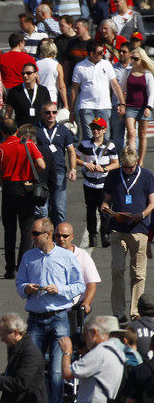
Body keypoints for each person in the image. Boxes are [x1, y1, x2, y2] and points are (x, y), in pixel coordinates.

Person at [17, 216, 85, 403]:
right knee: (33, 368)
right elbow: (19, 284)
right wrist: (26, 288)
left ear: (48, 235)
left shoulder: (66, 257)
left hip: (59, 318)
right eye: (32, 233)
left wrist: (60, 289)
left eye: (36, 233)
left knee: (56, 370)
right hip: (35, 319)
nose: (32, 236)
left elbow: (79, 286)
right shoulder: (29, 257)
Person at [102, 146, 154, 324]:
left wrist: (142, 215)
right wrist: (105, 207)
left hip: (139, 229)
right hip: (117, 228)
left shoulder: (146, 175)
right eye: (124, 167)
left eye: (130, 167)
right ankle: (118, 311)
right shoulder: (114, 175)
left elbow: (152, 203)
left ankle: (135, 312)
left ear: (136, 163)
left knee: (138, 273)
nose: (127, 170)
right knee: (117, 270)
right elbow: (106, 199)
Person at [0, 120, 47, 281]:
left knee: (9, 230)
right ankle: (22, 266)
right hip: (26, 187)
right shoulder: (28, 144)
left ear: (2, 132)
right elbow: (42, 165)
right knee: (26, 230)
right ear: (17, 130)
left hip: (9, 189)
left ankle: (10, 268)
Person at [72, 40, 127, 142]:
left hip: (104, 106)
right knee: (88, 138)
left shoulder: (106, 64)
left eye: (103, 52)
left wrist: (122, 103)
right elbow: (74, 89)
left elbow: (115, 85)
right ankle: (90, 158)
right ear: (92, 54)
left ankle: (103, 158)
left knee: (105, 138)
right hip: (86, 106)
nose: (103, 54)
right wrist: (72, 111)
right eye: (100, 52)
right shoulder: (79, 67)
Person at [77, 117, 119, 248]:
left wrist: (104, 168)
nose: (95, 131)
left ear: (104, 130)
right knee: (90, 210)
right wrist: (85, 163)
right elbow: (75, 158)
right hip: (89, 184)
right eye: (93, 128)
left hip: (104, 184)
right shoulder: (85, 144)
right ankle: (92, 235)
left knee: (105, 210)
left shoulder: (110, 145)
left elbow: (116, 163)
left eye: (98, 128)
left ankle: (105, 234)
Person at [55, 222, 102, 317]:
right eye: (58, 236)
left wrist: (86, 303)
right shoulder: (48, 255)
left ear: (72, 237)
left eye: (65, 236)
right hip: (54, 307)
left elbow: (91, 283)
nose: (61, 239)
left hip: (75, 308)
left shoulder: (82, 255)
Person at [121, 48, 154, 163]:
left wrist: (149, 107)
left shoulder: (147, 74)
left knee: (142, 134)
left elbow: (151, 93)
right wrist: (122, 103)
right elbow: (122, 88)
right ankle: (132, 159)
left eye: (136, 59)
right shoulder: (127, 72)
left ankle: (141, 160)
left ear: (142, 60)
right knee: (131, 133)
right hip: (130, 106)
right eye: (132, 58)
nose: (133, 61)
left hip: (143, 107)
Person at [4, 63, 50, 128]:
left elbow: (48, 110)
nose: (25, 76)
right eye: (23, 73)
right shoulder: (15, 91)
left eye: (28, 73)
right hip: (21, 129)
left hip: (40, 129)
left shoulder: (43, 90)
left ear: (36, 74)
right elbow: (8, 114)